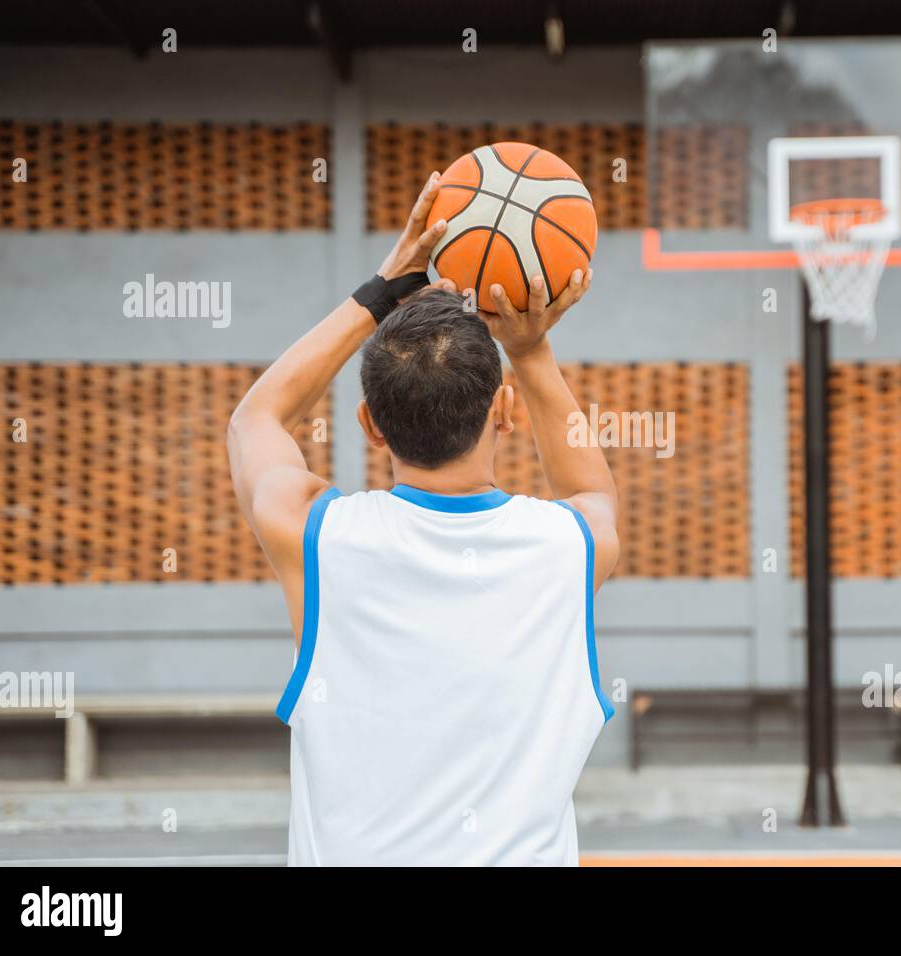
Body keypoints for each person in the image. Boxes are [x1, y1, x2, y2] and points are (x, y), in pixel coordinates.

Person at [227, 173, 617, 865]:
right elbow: (595, 494)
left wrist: (383, 288)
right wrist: (531, 351)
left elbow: (256, 418)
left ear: (369, 426)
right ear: (505, 412)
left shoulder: (317, 537)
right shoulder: (569, 546)